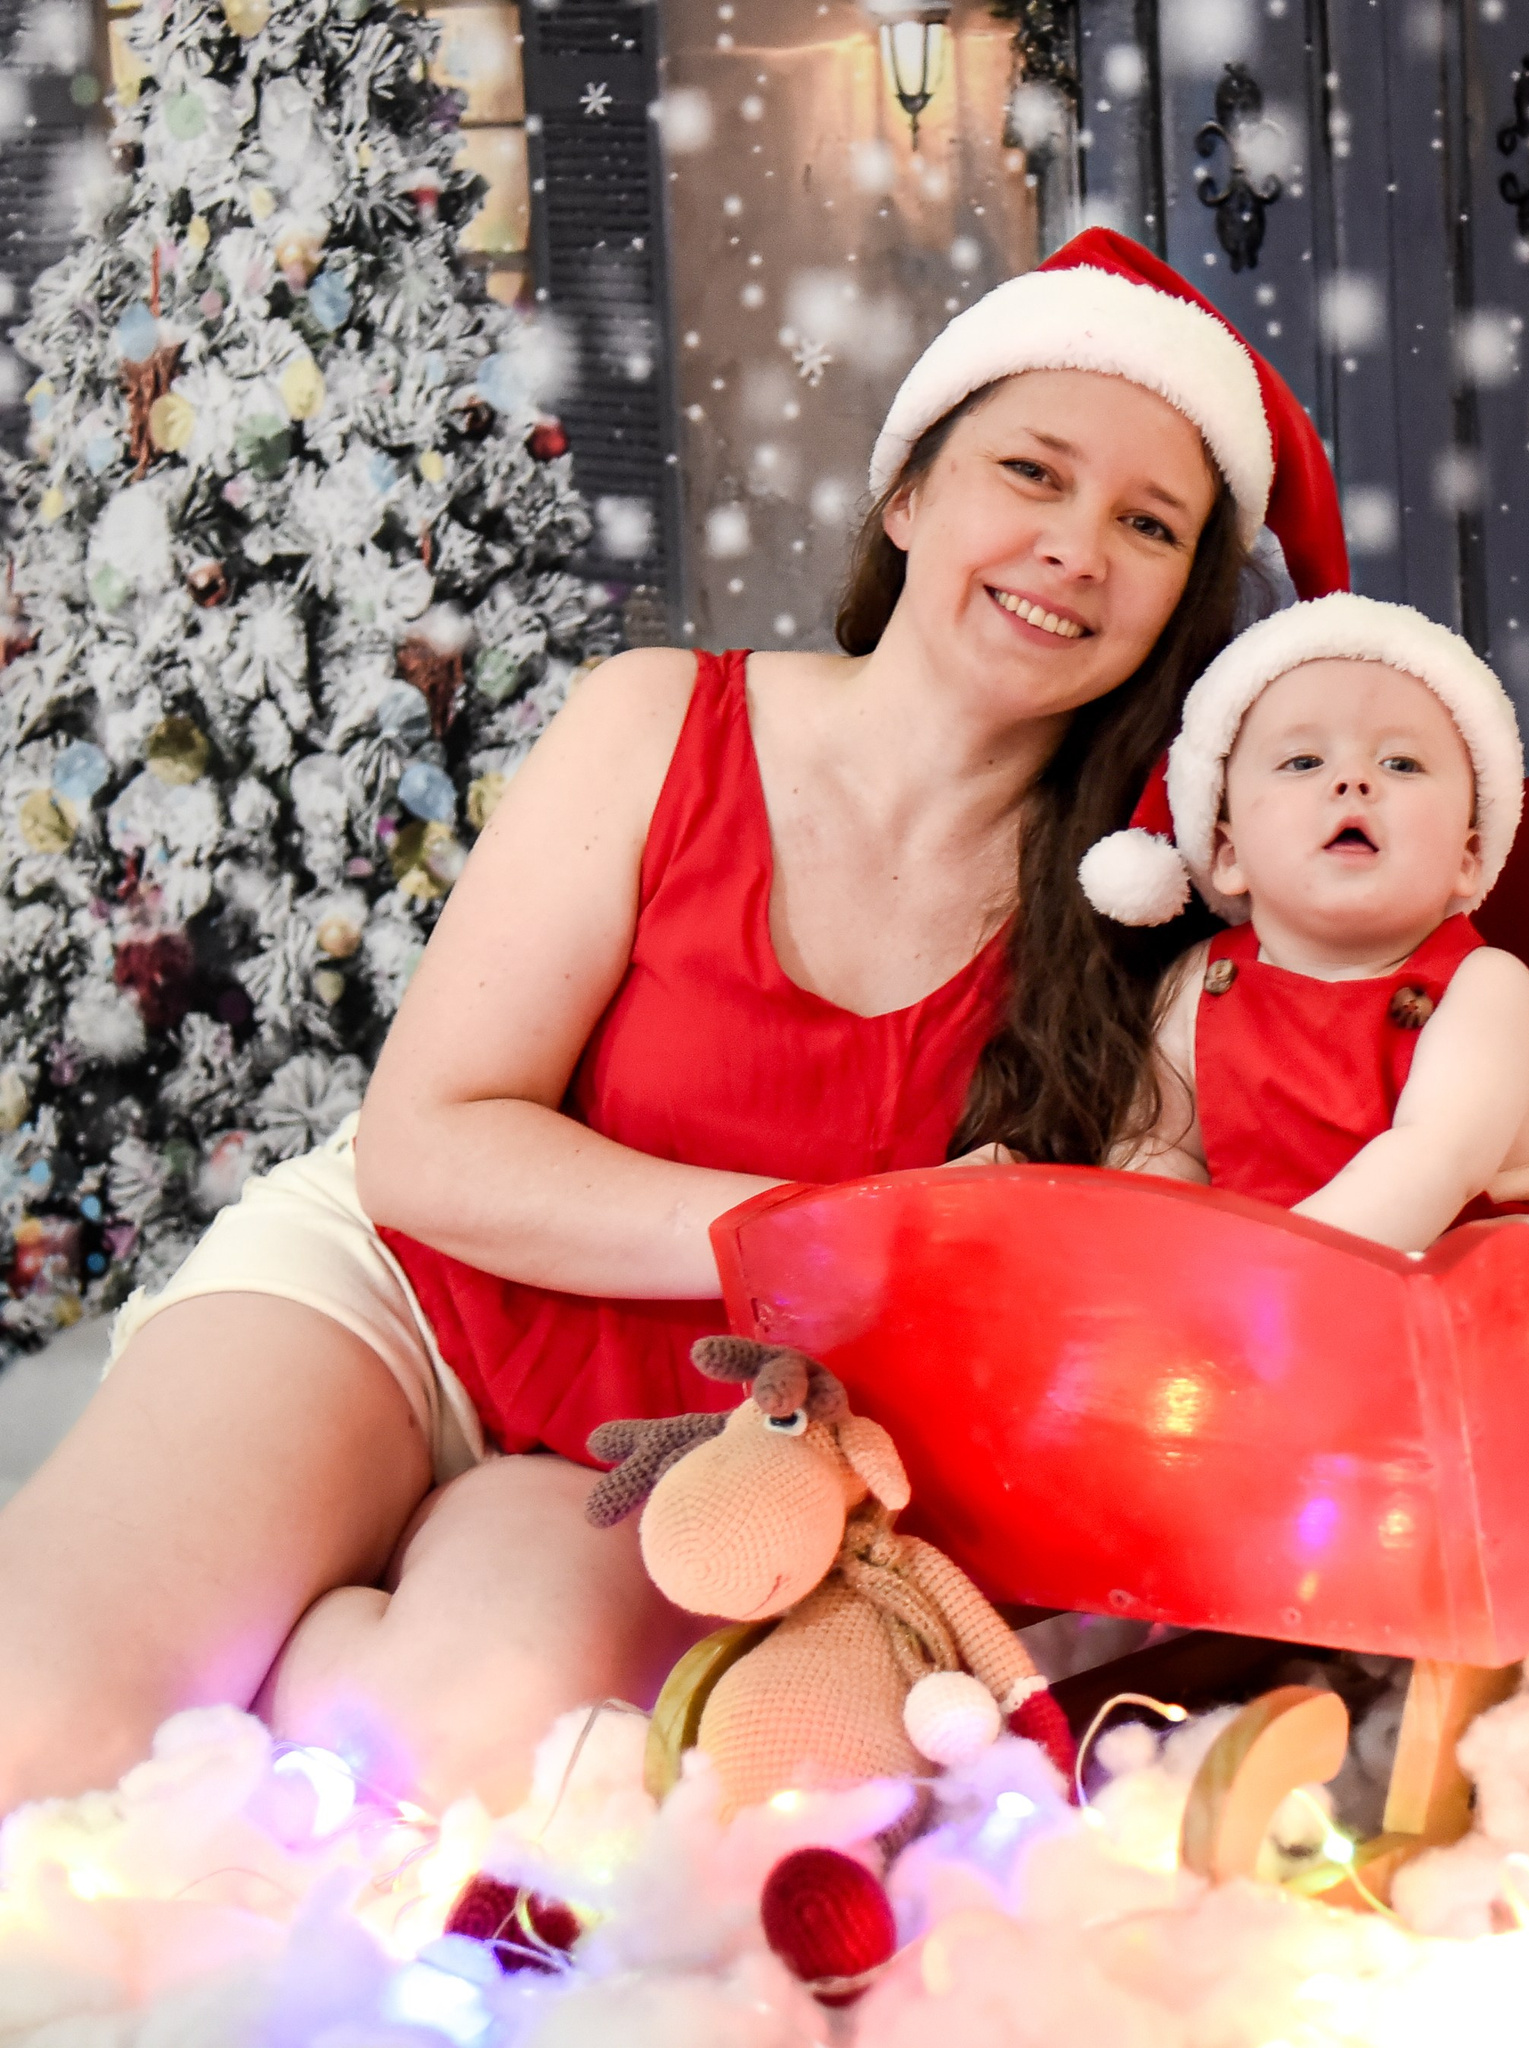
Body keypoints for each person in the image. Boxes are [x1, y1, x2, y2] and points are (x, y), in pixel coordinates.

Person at [0, 228, 1350, 1816]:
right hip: (409, 1305)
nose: (1075, 547)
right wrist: (820, 1229)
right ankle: (236, 1584)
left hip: (681, 1447)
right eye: (1032, 474)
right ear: (909, 497)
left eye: (1146, 524)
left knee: (444, 1756)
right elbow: (430, 1151)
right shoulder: (662, 718)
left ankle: (288, 1630)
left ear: (1182, 599)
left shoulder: (1146, 914)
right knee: (36, 1730)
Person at [1077, 592, 1529, 1302]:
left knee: (1518, 1261)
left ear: (1468, 858)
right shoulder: (1202, 980)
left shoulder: (1482, 987)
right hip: (1266, 1279)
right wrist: (1170, 1269)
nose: (1353, 781)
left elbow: (1434, 1160)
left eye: (1402, 764)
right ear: (1225, 854)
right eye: (1304, 760)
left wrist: (1265, 1277)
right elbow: (1158, 1145)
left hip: (1446, 1245)